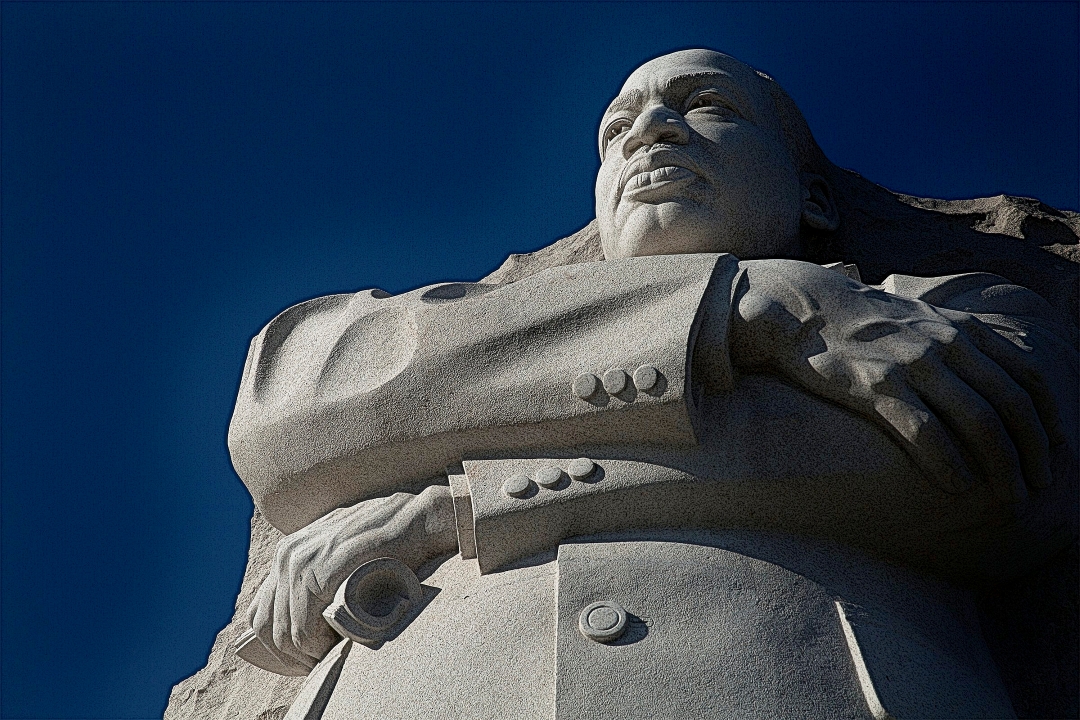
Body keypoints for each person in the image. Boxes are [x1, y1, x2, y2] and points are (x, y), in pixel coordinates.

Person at [229, 50, 1077, 717]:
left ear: (814, 198)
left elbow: (991, 460)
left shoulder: (943, 311)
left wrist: (455, 507)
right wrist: (751, 302)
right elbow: (287, 404)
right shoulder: (482, 317)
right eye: (616, 129)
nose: (651, 131)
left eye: (708, 105)